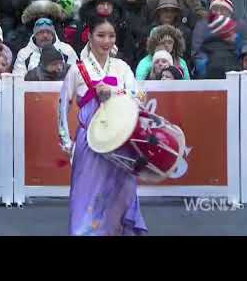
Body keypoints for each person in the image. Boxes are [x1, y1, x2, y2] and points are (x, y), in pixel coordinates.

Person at [58, 15, 147, 236]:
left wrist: (115, 92)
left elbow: (137, 96)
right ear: (89, 36)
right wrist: (66, 140)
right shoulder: (77, 70)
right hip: (89, 142)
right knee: (85, 193)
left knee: (121, 193)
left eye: (111, 36)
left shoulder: (122, 67)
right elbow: (63, 103)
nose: (106, 41)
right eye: (100, 35)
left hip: (120, 140)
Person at [12, 17, 78, 77]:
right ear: (35, 35)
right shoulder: (24, 53)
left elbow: (77, 75)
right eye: (41, 32)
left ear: (53, 35)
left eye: (48, 32)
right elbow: (18, 79)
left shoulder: (66, 50)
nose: (45, 35)